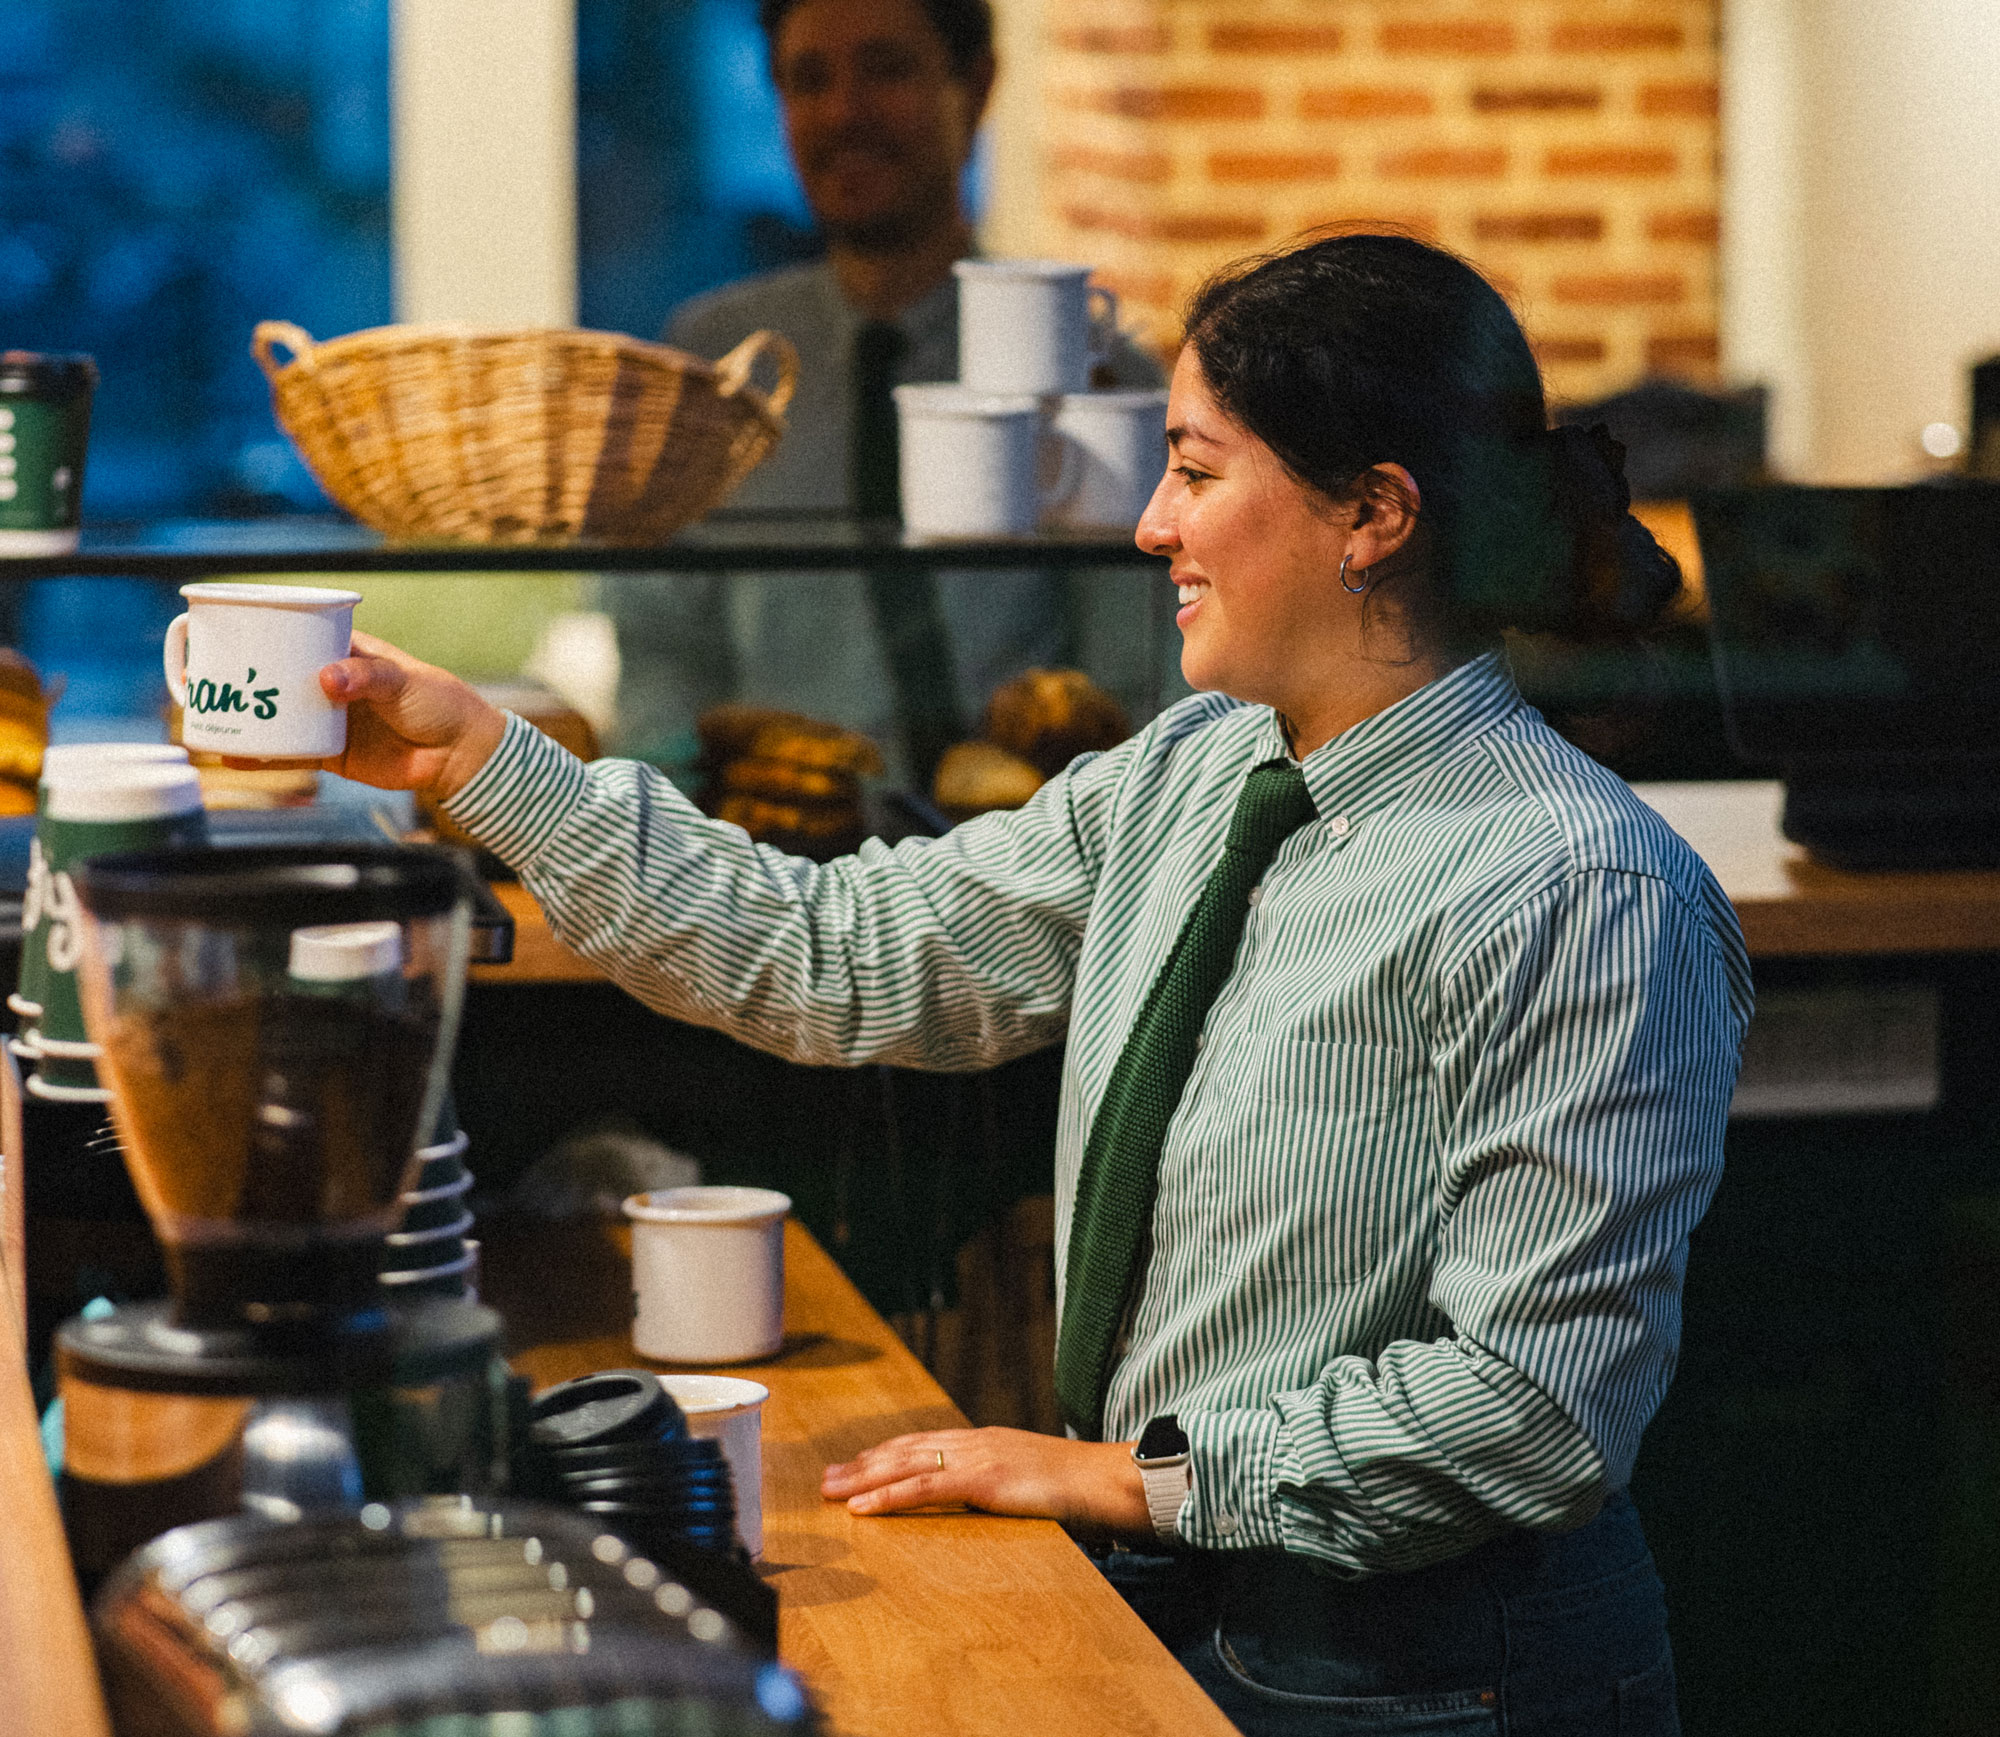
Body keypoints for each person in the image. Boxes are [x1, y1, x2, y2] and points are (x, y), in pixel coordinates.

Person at [322, 233, 1749, 1735]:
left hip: (1439, 1674)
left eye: (1196, 472)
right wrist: (482, 764)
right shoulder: (1197, 774)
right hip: (1211, 1605)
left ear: (1372, 515)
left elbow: (1529, 1412)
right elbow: (843, 952)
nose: (1150, 525)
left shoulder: (1581, 889)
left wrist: (1123, 1478)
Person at [611, 0, 1162, 782]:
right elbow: (660, 665)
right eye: (809, 80)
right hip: (776, 864)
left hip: (1035, 858)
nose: (845, 111)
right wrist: (690, 801)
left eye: (886, 69)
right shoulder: (712, 366)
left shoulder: (1094, 374)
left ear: (974, 88)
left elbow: (1142, 684)